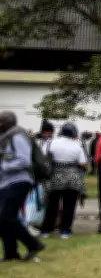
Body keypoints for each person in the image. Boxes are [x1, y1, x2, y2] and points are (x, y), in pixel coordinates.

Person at [0, 111, 46, 261]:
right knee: (3, 219)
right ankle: (10, 253)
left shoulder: (18, 136)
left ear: (8, 122)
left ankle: (33, 244)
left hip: (19, 181)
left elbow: (24, 161)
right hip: (5, 183)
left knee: (6, 217)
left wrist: (4, 166)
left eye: (1, 122)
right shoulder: (5, 138)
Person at [40, 123, 88, 239]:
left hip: (54, 176)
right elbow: (83, 163)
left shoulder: (51, 142)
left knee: (52, 205)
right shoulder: (77, 146)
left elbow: (42, 157)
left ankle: (46, 230)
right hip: (73, 177)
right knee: (69, 205)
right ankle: (65, 231)